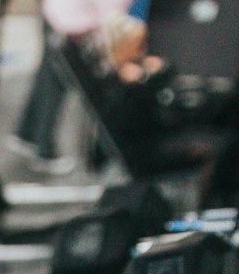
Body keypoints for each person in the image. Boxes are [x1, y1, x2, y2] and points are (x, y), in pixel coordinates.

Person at [10, 0, 168, 172]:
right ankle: (43, 149)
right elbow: (111, 31)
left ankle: (25, 136)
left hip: (56, 5)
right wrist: (125, 65)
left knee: (47, 79)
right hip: (64, 19)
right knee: (57, 83)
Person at [92, 14, 239, 206]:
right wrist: (149, 78)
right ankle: (207, 204)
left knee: (224, 138)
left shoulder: (139, 72)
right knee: (219, 148)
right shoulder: (125, 80)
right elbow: (132, 120)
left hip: (161, 135)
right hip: (145, 149)